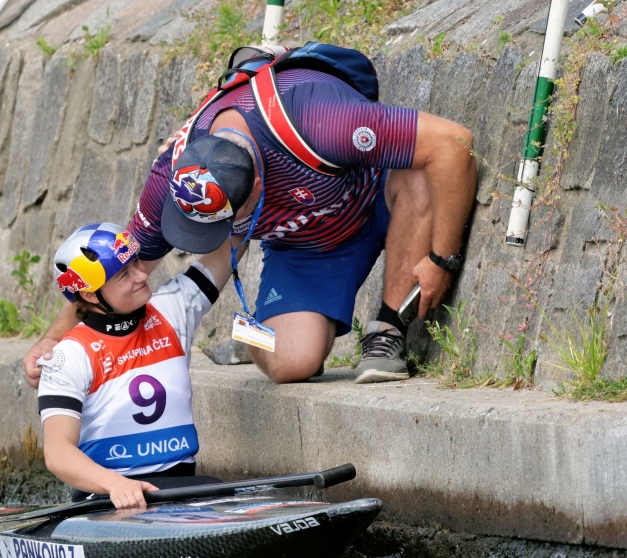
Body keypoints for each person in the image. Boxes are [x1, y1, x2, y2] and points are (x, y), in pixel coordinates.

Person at [25, 53, 475, 387]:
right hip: (308, 247)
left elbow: (454, 144)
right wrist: (54, 340)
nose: (213, 236)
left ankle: (387, 332)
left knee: (419, 176)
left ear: (259, 185)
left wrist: (442, 258)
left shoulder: (315, 118)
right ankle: (252, 333)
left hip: (377, 196)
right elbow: (109, 265)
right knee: (290, 363)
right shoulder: (173, 173)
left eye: (226, 222)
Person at [38, 222, 241, 509]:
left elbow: (231, 244)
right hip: (109, 499)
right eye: (124, 273)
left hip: (183, 488)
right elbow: (57, 453)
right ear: (90, 294)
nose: (141, 274)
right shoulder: (68, 356)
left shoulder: (172, 308)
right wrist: (114, 483)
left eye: (135, 262)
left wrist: (249, 205)